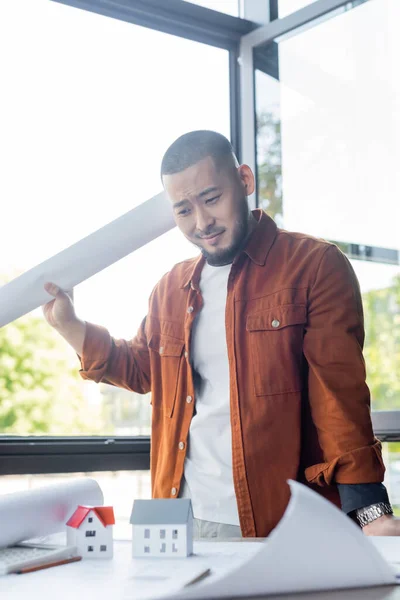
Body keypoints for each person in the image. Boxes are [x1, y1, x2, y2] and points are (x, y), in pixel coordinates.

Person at [43, 130, 398, 538]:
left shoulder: (315, 266)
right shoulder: (170, 289)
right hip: (178, 515)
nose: (202, 222)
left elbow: (338, 397)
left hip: (274, 520)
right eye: (183, 210)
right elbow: (143, 370)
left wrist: (370, 513)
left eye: (212, 199)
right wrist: (69, 327)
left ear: (244, 181)